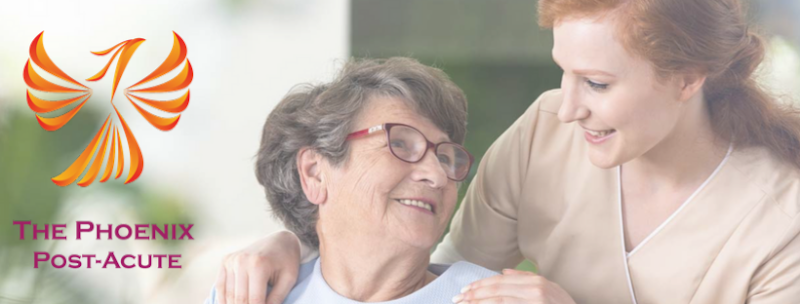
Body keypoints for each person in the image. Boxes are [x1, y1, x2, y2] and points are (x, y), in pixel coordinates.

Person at [216, 0, 800, 303]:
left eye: (597, 83)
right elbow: (424, 272)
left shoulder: (780, 224)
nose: (568, 107)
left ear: (688, 78)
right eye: (563, 72)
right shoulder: (546, 133)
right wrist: (299, 242)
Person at [206, 57, 501, 304]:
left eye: (445, 158)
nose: (436, 175)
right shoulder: (249, 293)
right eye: (400, 143)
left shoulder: (493, 299)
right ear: (314, 173)